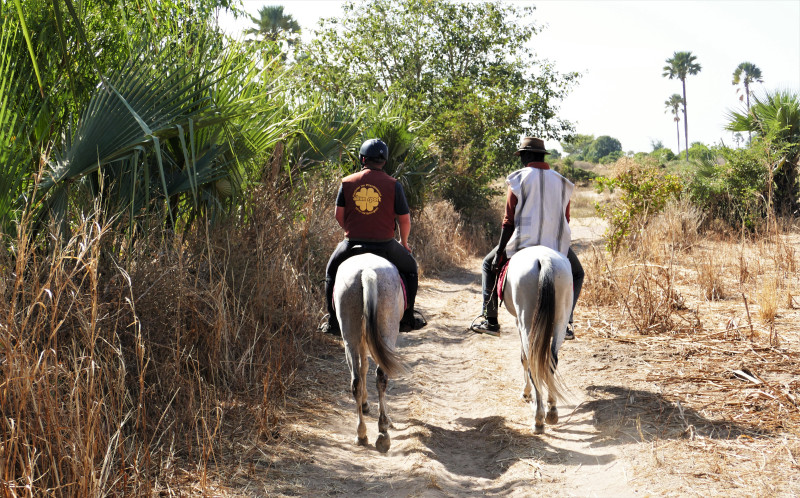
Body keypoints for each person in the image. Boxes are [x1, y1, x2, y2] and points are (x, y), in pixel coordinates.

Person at [472, 136, 584, 339]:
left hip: (522, 241)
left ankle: (490, 321)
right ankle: (567, 322)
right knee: (577, 273)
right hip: (555, 244)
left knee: (488, 265)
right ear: (542, 156)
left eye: (522, 156)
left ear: (529, 155)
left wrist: (500, 251)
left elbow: (508, 221)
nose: (522, 161)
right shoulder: (562, 182)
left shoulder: (518, 179)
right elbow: (566, 219)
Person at [320, 138, 427, 336]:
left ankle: (333, 321)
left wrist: (351, 229)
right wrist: (403, 243)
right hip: (386, 245)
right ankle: (408, 317)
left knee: (331, 271)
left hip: (352, 244)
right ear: (384, 161)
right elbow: (404, 219)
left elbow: (338, 215)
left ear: (362, 159)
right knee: (411, 269)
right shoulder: (394, 185)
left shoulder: (347, 182)